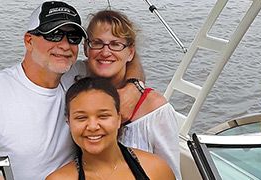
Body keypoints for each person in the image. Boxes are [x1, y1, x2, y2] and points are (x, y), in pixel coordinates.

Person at [0, 1, 144, 180]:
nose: (65, 45)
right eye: (53, 35)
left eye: (73, 37)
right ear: (29, 41)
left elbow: (124, 60)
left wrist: (134, 87)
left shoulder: (75, 73)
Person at [72, 10, 181, 179]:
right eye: (97, 43)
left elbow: (170, 173)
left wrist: (134, 86)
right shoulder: (75, 81)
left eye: (116, 44)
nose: (105, 52)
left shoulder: (156, 110)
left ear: (130, 52)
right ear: (86, 49)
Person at [46, 77, 175, 180]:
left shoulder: (155, 169)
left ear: (119, 119)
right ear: (69, 122)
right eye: (81, 117)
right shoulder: (59, 178)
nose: (92, 126)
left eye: (103, 116)